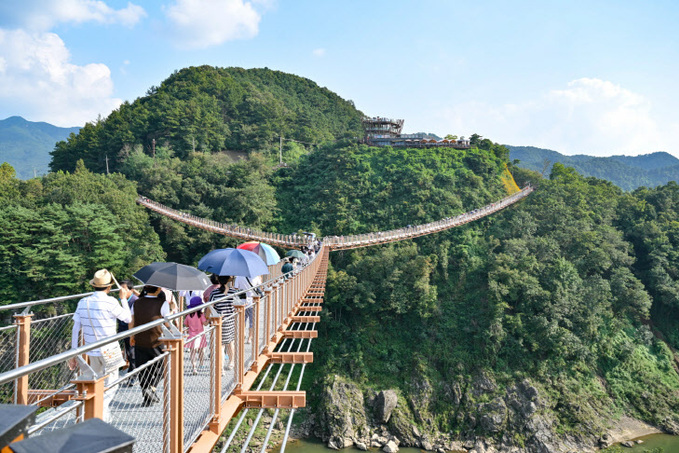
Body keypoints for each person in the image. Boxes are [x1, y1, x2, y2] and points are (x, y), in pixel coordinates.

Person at [69, 269, 131, 422]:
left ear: (94, 286)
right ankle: (100, 415)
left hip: (90, 350)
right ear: (109, 287)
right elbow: (128, 318)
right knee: (112, 384)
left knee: (93, 384)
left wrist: (73, 353)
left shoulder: (83, 302)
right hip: (110, 350)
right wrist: (123, 299)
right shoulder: (111, 302)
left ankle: (92, 415)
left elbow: (76, 328)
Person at [131, 285, 171, 406]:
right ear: (158, 290)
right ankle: (152, 386)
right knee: (164, 366)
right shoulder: (162, 303)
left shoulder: (136, 303)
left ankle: (147, 399)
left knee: (143, 369)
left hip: (140, 339)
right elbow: (167, 322)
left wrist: (132, 336)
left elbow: (132, 321)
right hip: (157, 340)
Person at [209, 275, 237, 373]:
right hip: (230, 321)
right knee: (230, 343)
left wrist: (208, 319)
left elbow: (211, 307)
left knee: (221, 346)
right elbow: (239, 305)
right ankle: (231, 362)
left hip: (219, 322)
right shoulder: (233, 292)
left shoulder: (214, 293)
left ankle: (221, 369)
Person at [118, 280, 139, 386]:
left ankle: (133, 376)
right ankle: (131, 373)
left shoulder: (135, 301)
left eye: (124, 288)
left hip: (131, 330)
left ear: (130, 290)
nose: (121, 290)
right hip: (123, 329)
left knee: (132, 353)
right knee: (129, 353)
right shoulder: (122, 299)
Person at [234, 274, 262, 344]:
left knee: (243, 320)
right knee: (252, 321)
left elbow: (236, 288)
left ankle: (243, 335)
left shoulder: (238, 276)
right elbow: (260, 287)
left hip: (242, 302)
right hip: (253, 301)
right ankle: (250, 338)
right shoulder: (255, 276)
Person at [184, 296, 208, 374]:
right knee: (201, 350)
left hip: (191, 336)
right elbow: (205, 323)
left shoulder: (188, 315)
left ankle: (194, 367)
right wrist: (209, 319)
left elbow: (186, 324)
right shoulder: (201, 315)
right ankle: (201, 364)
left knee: (192, 352)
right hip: (200, 335)